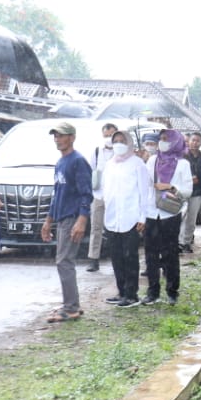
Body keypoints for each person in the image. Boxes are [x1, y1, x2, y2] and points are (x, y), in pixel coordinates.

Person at [39, 122, 92, 323]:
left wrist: (82, 219)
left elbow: (86, 194)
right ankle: (70, 302)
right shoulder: (61, 162)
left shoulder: (78, 161)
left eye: (61, 135)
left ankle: (71, 307)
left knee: (65, 261)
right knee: (63, 261)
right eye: (55, 136)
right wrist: (48, 221)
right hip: (61, 218)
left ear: (72, 137)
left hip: (73, 217)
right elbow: (57, 194)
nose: (57, 139)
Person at [99, 129, 151, 306]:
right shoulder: (110, 164)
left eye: (122, 140)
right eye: (116, 141)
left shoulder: (137, 164)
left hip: (131, 218)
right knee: (116, 257)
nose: (119, 144)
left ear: (129, 143)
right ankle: (121, 291)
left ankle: (132, 294)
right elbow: (105, 189)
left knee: (130, 257)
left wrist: (142, 217)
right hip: (113, 217)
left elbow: (144, 193)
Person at [142, 128, 191, 304]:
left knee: (170, 253)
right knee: (150, 253)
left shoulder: (183, 164)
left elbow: (188, 190)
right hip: (151, 211)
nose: (162, 142)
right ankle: (152, 291)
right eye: (160, 139)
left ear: (175, 142)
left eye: (166, 139)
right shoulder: (153, 160)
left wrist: (171, 187)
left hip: (170, 212)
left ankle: (172, 291)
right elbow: (146, 185)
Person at [85, 121, 116, 273]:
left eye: (111, 135)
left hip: (116, 197)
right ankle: (93, 259)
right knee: (95, 227)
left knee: (114, 228)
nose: (109, 138)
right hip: (98, 195)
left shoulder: (122, 153)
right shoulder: (97, 151)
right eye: (106, 135)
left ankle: (116, 257)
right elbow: (90, 171)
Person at [179, 130, 201, 253]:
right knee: (181, 218)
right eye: (193, 140)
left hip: (197, 193)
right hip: (182, 191)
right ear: (188, 142)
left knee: (191, 219)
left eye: (198, 141)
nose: (195, 143)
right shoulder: (181, 156)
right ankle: (178, 243)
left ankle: (186, 242)